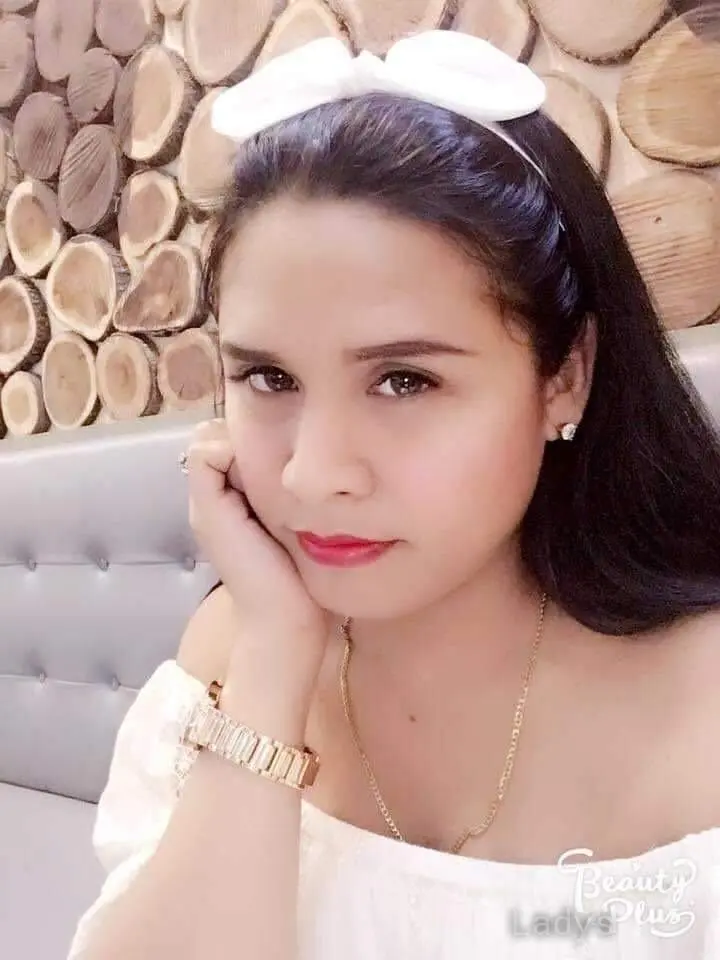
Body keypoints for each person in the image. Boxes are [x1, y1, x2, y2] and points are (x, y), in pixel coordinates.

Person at [68, 30, 720, 960]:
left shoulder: (701, 707)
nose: (311, 474)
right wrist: (275, 661)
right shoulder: (233, 647)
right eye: (268, 378)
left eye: (404, 380)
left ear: (564, 377)